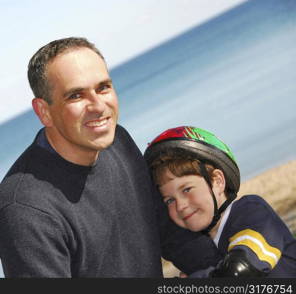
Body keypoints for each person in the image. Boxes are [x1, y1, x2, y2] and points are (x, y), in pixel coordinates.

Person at [0, 38, 221, 277]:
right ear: (44, 111)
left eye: (103, 87)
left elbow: (171, 233)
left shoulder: (118, 142)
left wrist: (222, 273)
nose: (98, 106)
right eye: (76, 95)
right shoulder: (24, 209)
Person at [144, 125, 296, 277]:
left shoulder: (251, 212)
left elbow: (239, 272)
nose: (181, 206)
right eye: (169, 200)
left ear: (217, 181)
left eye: (187, 189)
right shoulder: (200, 250)